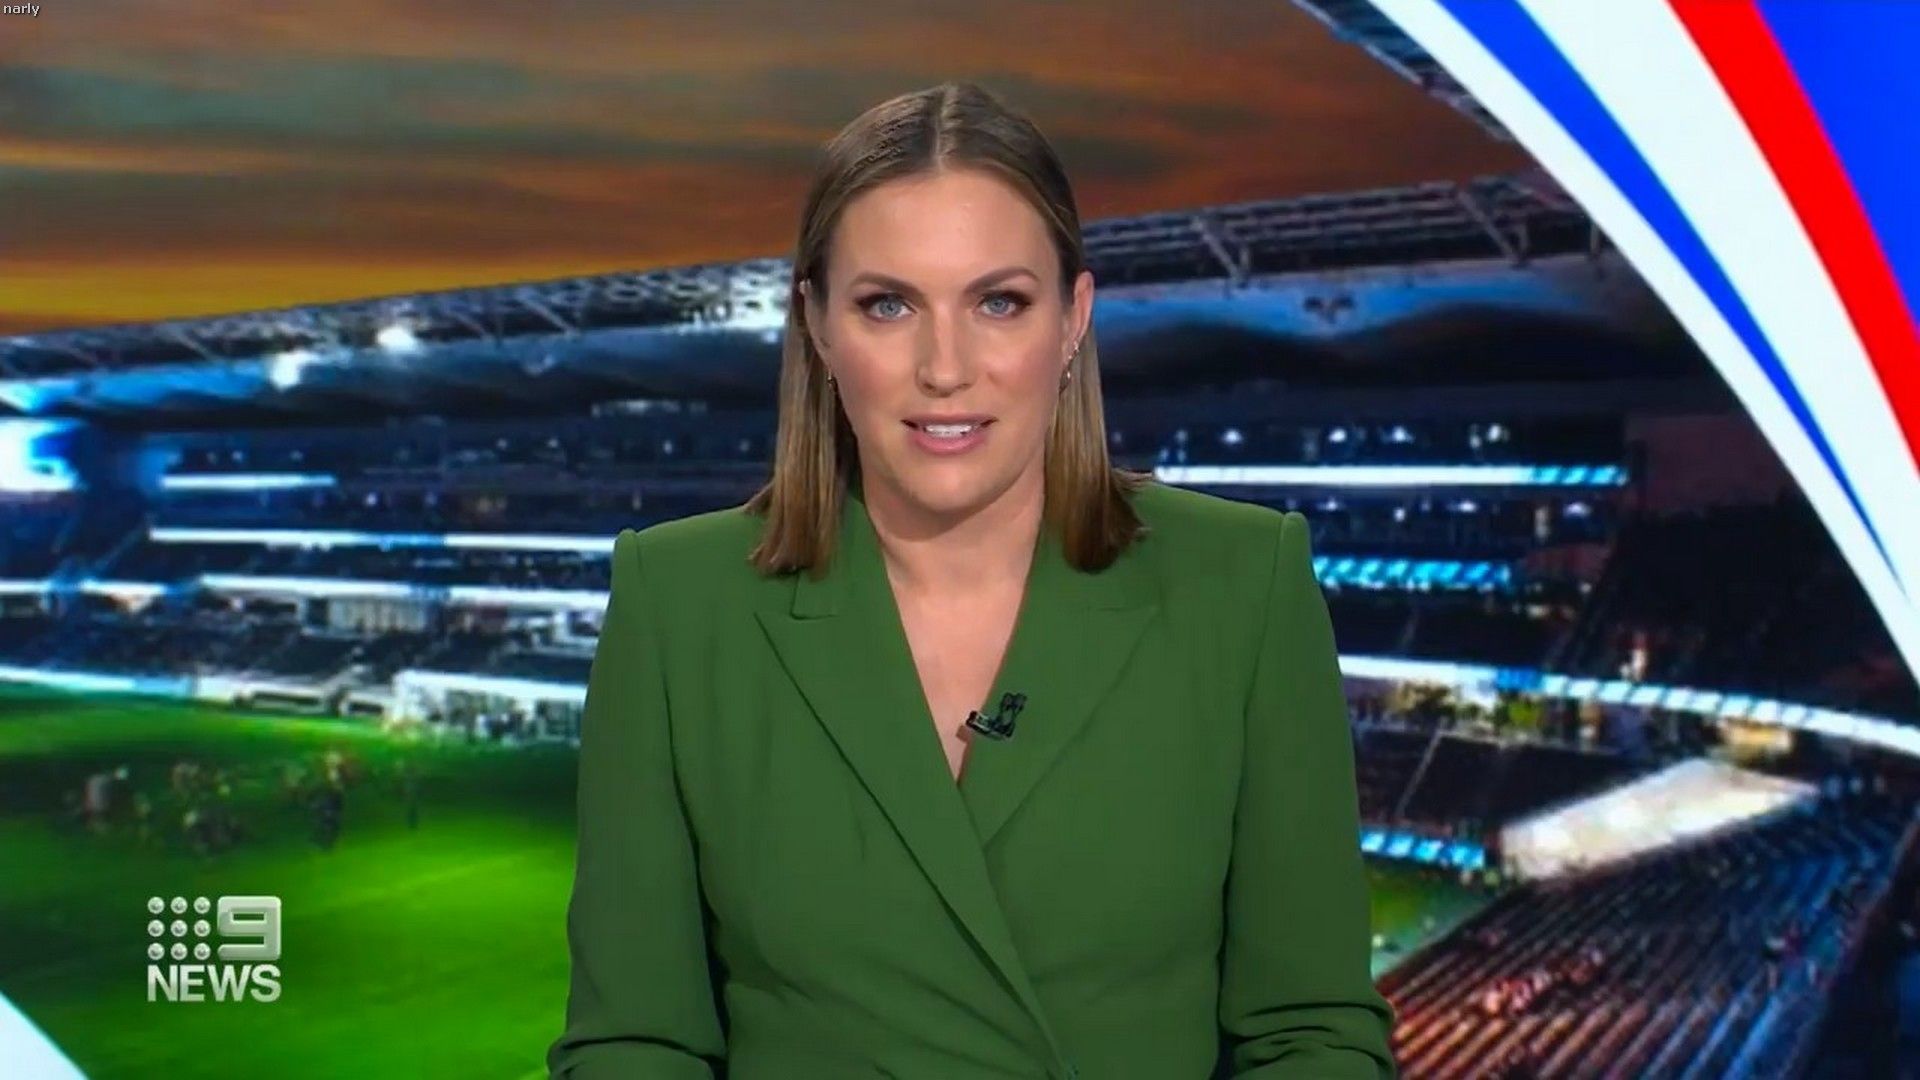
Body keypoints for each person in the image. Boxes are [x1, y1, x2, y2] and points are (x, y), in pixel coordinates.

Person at [548, 81, 1395, 1079]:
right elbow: (634, 1042)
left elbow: (1312, 1033)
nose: (945, 368)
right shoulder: (678, 602)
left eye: (999, 302)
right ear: (817, 324)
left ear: (1073, 318)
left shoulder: (1244, 584)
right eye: (887, 304)